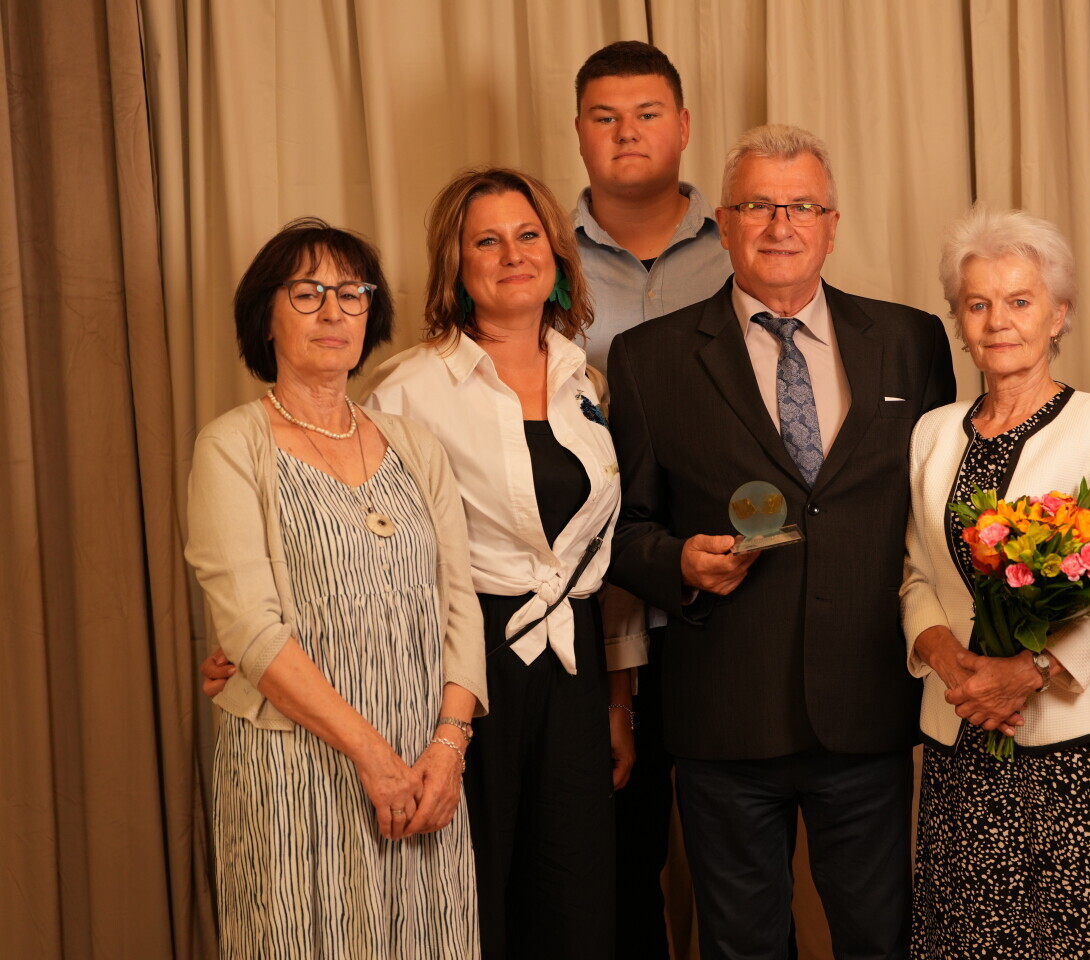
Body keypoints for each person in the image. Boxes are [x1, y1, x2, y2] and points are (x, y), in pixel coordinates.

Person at [606, 125, 956, 960]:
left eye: (801, 206)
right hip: (724, 717)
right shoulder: (649, 359)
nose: (780, 225)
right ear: (724, 225)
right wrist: (678, 563)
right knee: (743, 948)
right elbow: (618, 530)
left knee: (881, 941)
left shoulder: (911, 341)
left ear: (832, 225)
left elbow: (941, 518)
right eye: (759, 205)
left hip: (868, 707)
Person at [185, 218, 486, 958]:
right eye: (307, 292)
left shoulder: (414, 446)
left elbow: (460, 605)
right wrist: (370, 757)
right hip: (296, 766)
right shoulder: (231, 446)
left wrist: (448, 750)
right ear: (265, 318)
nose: (333, 311)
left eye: (352, 294)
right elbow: (252, 633)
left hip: (424, 768)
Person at [362, 167, 629, 960]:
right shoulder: (408, 391)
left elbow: (603, 554)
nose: (513, 255)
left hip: (575, 666)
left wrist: (619, 698)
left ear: (556, 254)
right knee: (476, 899)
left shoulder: (586, 381)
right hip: (464, 667)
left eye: (527, 235)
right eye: (487, 241)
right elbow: (360, 543)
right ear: (456, 265)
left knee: (576, 899)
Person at [900, 205, 1090, 958]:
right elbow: (916, 572)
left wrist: (1026, 673)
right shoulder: (932, 432)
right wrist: (950, 661)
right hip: (957, 732)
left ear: (1059, 315)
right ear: (959, 322)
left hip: (1068, 746)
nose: (998, 322)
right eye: (977, 304)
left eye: (1019, 301)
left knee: (1075, 938)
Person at [571, 40, 732, 959]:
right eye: (605, 117)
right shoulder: (536, 254)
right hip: (593, 609)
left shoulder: (745, 239)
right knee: (614, 859)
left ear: (683, 126)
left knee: (737, 864)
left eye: (646, 115)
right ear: (579, 132)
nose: (626, 133)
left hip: (723, 596)